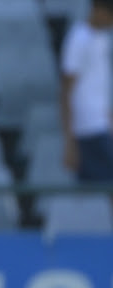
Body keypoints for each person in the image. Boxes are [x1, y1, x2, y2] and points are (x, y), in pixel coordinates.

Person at [61, 0, 113, 183]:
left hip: (102, 126)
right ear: (97, 10)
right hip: (87, 130)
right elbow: (66, 91)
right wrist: (70, 141)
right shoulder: (79, 39)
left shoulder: (102, 39)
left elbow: (98, 87)